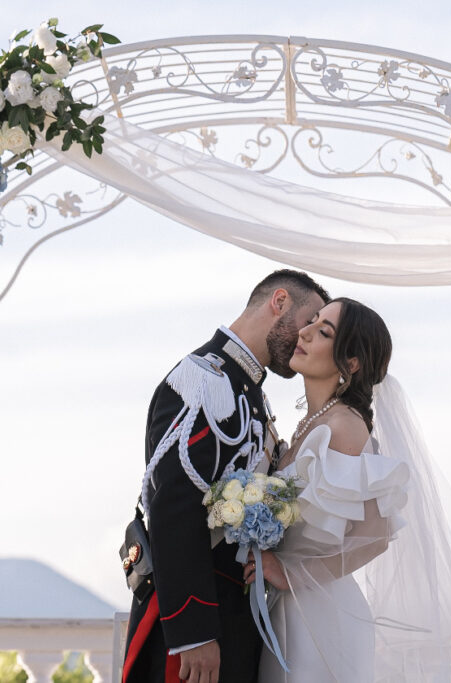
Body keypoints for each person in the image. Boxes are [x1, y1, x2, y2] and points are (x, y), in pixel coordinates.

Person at [244, 297, 451, 682]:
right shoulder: (309, 424)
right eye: (311, 322)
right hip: (292, 607)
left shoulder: (344, 427)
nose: (305, 332)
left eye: (323, 331)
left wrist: (290, 572)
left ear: (351, 363)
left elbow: (375, 536)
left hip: (317, 616)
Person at [122, 269, 330, 683]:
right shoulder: (205, 381)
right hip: (194, 623)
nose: (307, 336)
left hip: (233, 615)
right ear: (280, 302)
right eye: (309, 320)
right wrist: (194, 631)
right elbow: (175, 503)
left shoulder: (249, 391)